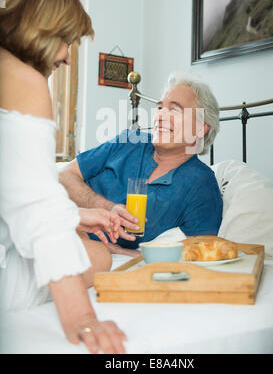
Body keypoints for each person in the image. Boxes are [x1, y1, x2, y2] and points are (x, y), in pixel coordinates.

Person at [0, 0, 138, 354]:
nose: (67, 56)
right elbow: (45, 198)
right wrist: (82, 320)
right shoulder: (24, 80)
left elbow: (13, 184)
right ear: (43, 29)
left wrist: (76, 215)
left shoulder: (196, 178)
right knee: (93, 253)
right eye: (68, 42)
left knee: (89, 245)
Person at [59, 72, 223, 257]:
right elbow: (64, 175)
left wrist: (117, 252)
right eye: (160, 108)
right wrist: (108, 207)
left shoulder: (201, 184)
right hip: (57, 225)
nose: (160, 116)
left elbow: (201, 253)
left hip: (86, 254)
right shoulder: (130, 140)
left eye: (174, 110)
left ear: (201, 127)